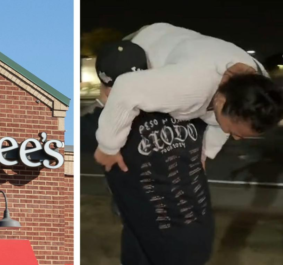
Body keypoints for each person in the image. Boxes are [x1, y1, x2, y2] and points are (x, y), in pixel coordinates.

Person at [97, 40, 213, 265]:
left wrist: (105, 102)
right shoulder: (192, 113)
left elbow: (99, 127)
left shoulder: (106, 130)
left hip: (153, 259)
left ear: (108, 86)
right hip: (197, 241)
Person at [94, 23, 283, 173]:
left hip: (183, 47)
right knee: (114, 104)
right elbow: (126, 88)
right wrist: (108, 147)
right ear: (221, 101)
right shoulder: (188, 87)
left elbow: (220, 123)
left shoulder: (257, 89)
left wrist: (204, 155)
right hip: (140, 46)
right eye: (237, 132)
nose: (236, 138)